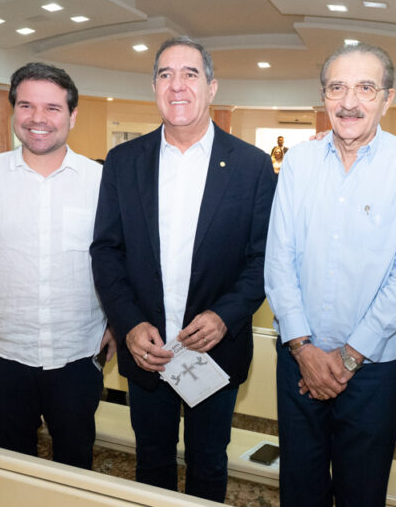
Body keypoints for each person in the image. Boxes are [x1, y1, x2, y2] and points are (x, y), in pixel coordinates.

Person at [90, 36, 276, 502]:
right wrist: (128, 324)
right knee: (151, 459)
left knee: (209, 463)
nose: (178, 85)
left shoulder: (252, 167)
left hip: (214, 352)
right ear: (153, 86)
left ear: (212, 87)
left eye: (190, 74)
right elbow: (106, 251)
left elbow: (263, 260)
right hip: (146, 350)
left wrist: (224, 316)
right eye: (166, 74)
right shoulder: (123, 162)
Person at [264, 43, 396, 507]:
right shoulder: (298, 162)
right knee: (299, 487)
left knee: (362, 491)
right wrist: (302, 347)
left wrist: (350, 357)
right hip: (300, 358)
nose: (349, 101)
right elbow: (278, 259)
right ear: (323, 97)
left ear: (388, 98)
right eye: (337, 87)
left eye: (365, 87)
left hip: (375, 367)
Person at [0, 62, 114, 470]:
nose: (38, 118)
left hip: (78, 353)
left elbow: (117, 261)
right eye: (26, 105)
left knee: (75, 466)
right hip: (4, 354)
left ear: (73, 115)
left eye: (53, 108)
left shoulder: (102, 181)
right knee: (11, 465)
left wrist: (116, 325)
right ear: (13, 111)